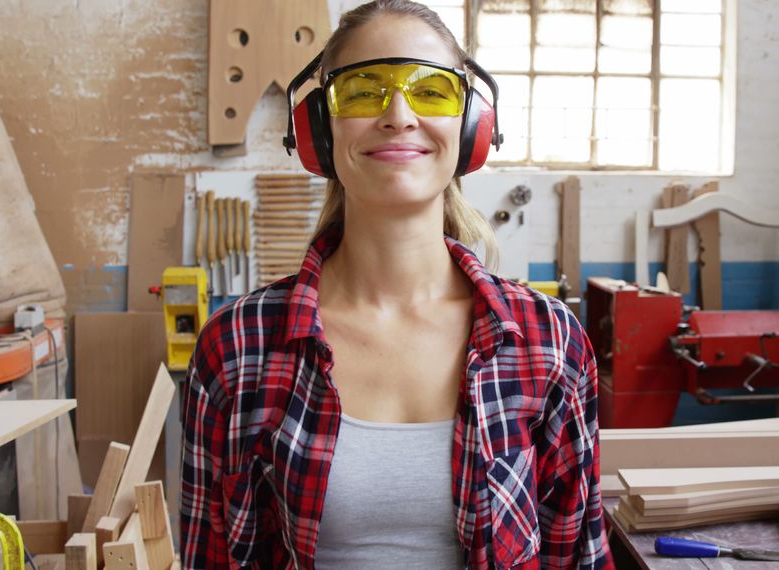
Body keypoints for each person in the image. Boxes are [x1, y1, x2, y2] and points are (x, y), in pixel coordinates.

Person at [180, 1, 613, 568]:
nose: (399, 115)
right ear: (317, 129)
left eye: (431, 90)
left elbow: (577, 554)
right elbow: (212, 557)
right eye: (363, 90)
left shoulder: (548, 341)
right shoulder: (238, 347)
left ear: (471, 126)